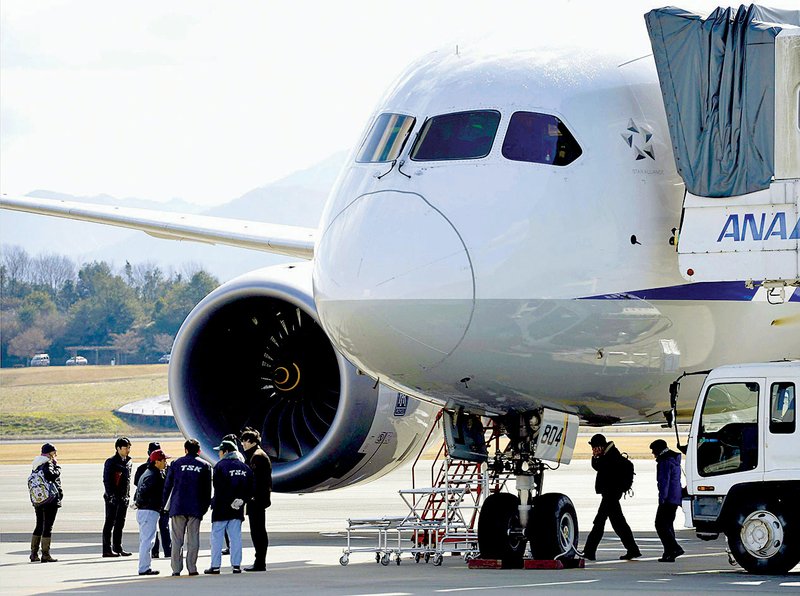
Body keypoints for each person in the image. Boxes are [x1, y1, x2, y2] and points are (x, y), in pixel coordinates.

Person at [581, 433, 641, 561]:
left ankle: (589, 551)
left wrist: (597, 458)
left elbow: (602, 468)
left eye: (594, 447)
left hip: (610, 495)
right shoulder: (608, 455)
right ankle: (633, 549)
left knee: (599, 522)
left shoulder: (611, 457)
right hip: (610, 494)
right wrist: (596, 457)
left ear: (600, 446)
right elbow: (599, 468)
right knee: (619, 523)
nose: (593, 450)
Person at [163, 438, 212, 576]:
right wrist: (204, 507)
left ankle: (176, 569)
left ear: (185, 450)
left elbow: (167, 487)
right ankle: (192, 568)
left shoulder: (175, 463)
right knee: (193, 539)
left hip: (178, 506)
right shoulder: (205, 466)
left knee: (177, 539)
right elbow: (207, 490)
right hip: (195, 508)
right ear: (199, 451)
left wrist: (166, 505)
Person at [205, 440, 253, 574]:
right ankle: (236, 565)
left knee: (217, 538)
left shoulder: (220, 466)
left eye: (220, 451)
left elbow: (219, 488)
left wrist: (228, 500)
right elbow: (250, 488)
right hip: (237, 509)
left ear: (225, 452)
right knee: (235, 537)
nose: (219, 454)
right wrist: (241, 500)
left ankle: (215, 566)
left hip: (221, 507)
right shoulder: (245, 468)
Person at [134, 449, 170, 576]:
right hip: (148, 511)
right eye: (164, 460)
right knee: (148, 541)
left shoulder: (148, 472)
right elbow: (144, 492)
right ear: (157, 462)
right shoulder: (154, 476)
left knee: (146, 540)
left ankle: (145, 566)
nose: (166, 462)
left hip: (145, 510)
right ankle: (144, 568)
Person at [240, 428, 272, 572]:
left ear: (250, 441)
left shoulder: (257, 457)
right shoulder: (257, 455)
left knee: (258, 531)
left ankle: (260, 562)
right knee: (258, 530)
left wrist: (249, 496)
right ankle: (259, 561)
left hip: (256, 500)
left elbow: (256, 481)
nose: (242, 444)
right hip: (258, 499)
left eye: (244, 441)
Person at [650, 439, 685, 562]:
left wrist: (662, 499)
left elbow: (664, 482)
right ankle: (669, 553)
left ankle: (675, 548)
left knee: (660, 524)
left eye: (653, 451)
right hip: (675, 497)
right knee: (668, 525)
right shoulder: (673, 459)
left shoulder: (665, 461)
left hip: (668, 498)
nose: (653, 454)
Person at [30, 443, 63, 563]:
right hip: (50, 500)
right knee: (47, 526)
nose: (55, 455)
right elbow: (51, 476)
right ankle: (45, 554)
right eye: (54, 453)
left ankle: (33, 554)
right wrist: (57, 468)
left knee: (39, 525)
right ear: (49, 453)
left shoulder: (36, 464)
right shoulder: (48, 463)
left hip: (39, 499)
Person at [102, 437, 132, 557]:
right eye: (126, 448)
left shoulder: (128, 461)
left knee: (120, 523)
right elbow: (107, 480)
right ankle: (107, 549)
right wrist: (111, 495)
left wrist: (127, 495)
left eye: (129, 447)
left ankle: (118, 547)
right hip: (112, 498)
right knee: (110, 523)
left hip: (124, 497)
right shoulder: (111, 462)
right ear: (118, 448)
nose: (128, 450)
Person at [219, 433, 245, 556]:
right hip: (237, 496)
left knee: (228, 524)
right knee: (233, 526)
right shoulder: (240, 457)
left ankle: (231, 547)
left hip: (231, 497)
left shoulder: (232, 460)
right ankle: (233, 549)